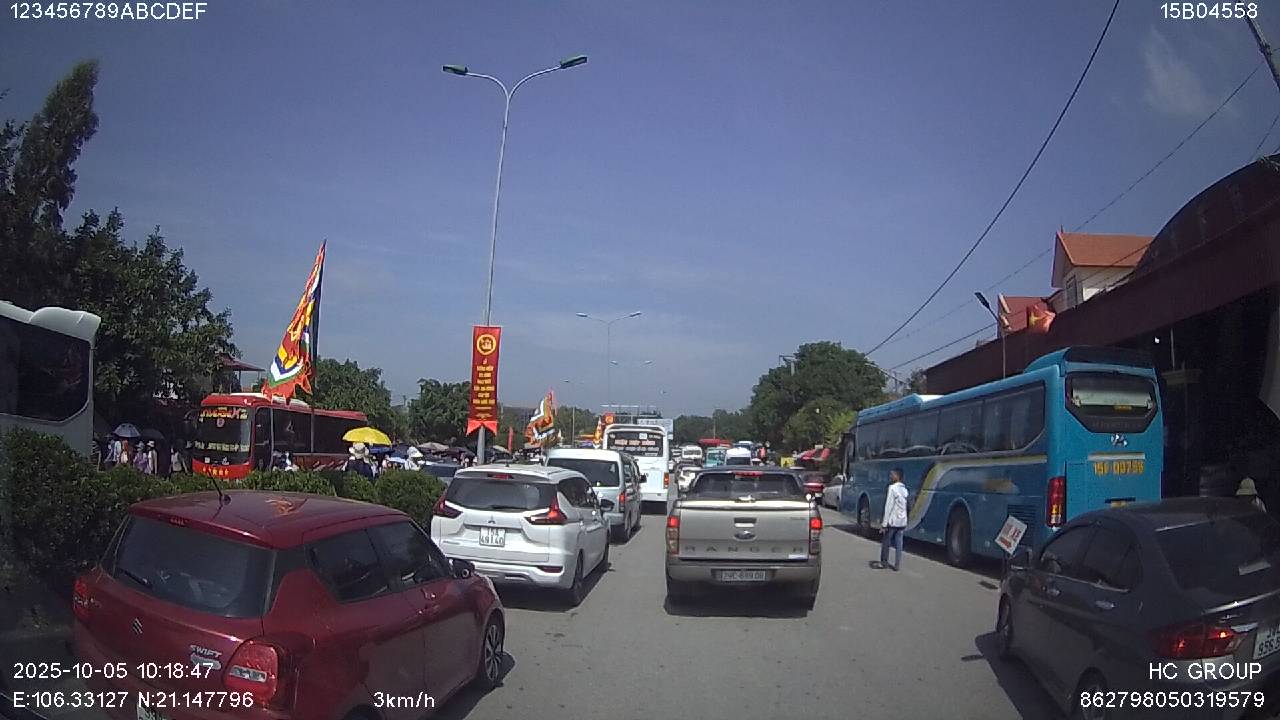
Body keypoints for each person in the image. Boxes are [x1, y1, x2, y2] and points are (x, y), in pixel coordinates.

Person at [876, 468, 909, 571]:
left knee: (886, 542)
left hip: (893, 521)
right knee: (899, 544)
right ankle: (897, 564)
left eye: (892, 474)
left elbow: (888, 506)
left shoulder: (892, 488)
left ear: (897, 476)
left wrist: (884, 524)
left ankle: (883, 562)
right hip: (902, 521)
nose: (890, 476)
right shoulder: (905, 490)